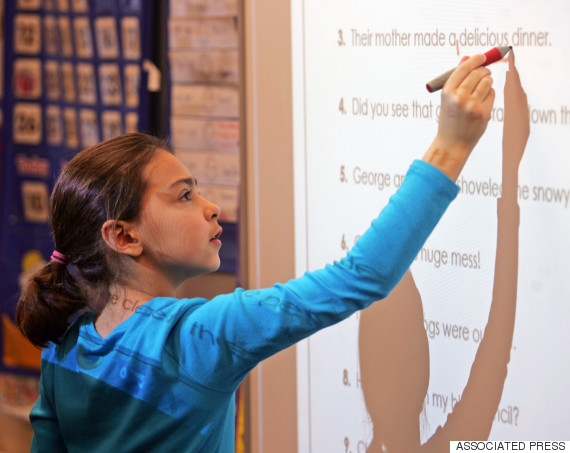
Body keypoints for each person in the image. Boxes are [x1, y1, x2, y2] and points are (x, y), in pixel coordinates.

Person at [16, 55, 494, 452]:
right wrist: (451, 144)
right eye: (184, 196)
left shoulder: (65, 345)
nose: (211, 208)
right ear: (123, 236)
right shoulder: (200, 336)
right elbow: (360, 277)